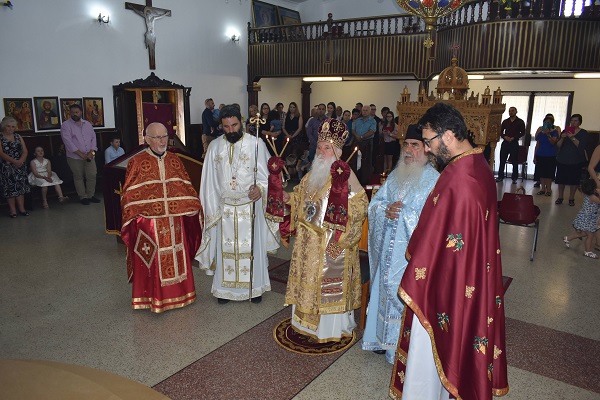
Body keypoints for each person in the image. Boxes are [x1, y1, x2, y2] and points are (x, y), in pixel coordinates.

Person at [390, 103, 508, 400]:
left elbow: (441, 237)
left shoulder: (461, 177)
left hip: (448, 281)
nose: (428, 149)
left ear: (449, 135)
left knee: (430, 342)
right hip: (465, 275)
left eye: (428, 141)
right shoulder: (476, 164)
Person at [282, 118, 368, 342]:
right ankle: (305, 323)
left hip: (330, 244)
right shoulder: (313, 173)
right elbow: (301, 197)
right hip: (307, 244)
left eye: (327, 148)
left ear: (338, 151)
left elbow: (361, 206)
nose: (321, 152)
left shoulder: (346, 176)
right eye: (319, 147)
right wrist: (288, 198)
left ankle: (328, 329)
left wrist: (341, 239)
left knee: (325, 286)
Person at [361, 125, 439, 364]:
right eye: (406, 144)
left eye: (415, 145)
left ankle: (399, 348)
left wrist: (404, 214)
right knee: (383, 290)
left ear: (427, 150)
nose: (408, 150)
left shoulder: (434, 181)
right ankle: (380, 340)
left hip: (408, 256)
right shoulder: (396, 174)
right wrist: (386, 209)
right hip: (387, 250)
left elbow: (434, 221)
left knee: (402, 297)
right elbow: (375, 204)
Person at [196, 104, 280, 304]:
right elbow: (208, 182)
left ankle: (255, 288)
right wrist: (212, 208)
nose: (231, 130)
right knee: (225, 248)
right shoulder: (215, 147)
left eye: (234, 125)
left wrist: (260, 189)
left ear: (240, 122)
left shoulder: (256, 144)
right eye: (226, 127)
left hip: (250, 206)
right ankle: (224, 291)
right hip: (224, 208)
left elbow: (268, 177)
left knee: (252, 248)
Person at [121, 122, 201, 313]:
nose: (162, 141)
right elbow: (128, 195)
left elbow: (185, 187)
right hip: (149, 223)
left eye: (165, 136)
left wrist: (192, 207)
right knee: (152, 259)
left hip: (174, 221)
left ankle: (181, 293)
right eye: (157, 137)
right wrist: (139, 212)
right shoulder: (137, 162)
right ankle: (152, 298)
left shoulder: (174, 160)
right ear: (147, 139)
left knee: (177, 255)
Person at [60, 103, 99, 205]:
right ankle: (83, 197)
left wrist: (92, 152)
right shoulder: (66, 125)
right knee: (78, 177)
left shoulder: (87, 124)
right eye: (72, 112)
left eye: (76, 112)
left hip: (90, 155)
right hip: (75, 157)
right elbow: (68, 142)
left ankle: (90, 195)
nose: (74, 114)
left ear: (81, 112)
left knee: (92, 175)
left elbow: (93, 138)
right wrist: (81, 154)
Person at [555, 113, 588, 207]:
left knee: (574, 180)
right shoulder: (565, 131)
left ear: (580, 122)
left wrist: (572, 137)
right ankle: (560, 197)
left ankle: (571, 198)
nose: (573, 122)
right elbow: (558, 145)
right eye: (572, 120)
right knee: (561, 180)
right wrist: (562, 138)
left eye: (575, 121)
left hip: (576, 160)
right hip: (562, 159)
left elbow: (581, 147)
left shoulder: (583, 133)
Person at [0, 116, 30, 218]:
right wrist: (14, 161)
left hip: (20, 166)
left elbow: (25, 151)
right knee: (10, 189)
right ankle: (13, 211)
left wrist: (21, 161)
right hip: (7, 167)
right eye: (8, 126)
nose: (10, 129)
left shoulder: (18, 136)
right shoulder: (1, 137)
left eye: (13, 127)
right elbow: (1, 153)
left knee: (20, 188)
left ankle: (22, 209)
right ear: (4, 126)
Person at [563, 178, 600, 259]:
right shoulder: (593, 197)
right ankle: (588, 251)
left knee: (584, 233)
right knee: (590, 236)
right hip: (588, 220)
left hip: (585, 218)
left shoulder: (587, 195)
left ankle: (567, 238)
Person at [496, 106, 525, 184]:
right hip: (505, 143)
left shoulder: (520, 122)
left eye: (512, 111)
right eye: (509, 111)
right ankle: (500, 176)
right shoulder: (505, 121)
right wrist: (504, 136)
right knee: (502, 160)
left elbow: (523, 132)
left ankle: (514, 178)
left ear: (516, 112)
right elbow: (500, 132)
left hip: (514, 143)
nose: (510, 112)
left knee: (514, 161)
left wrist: (514, 137)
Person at [533, 114, 560, 196]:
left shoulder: (555, 132)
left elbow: (553, 142)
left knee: (548, 174)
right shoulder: (541, 132)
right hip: (540, 154)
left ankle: (549, 189)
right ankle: (543, 189)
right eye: (545, 122)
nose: (546, 124)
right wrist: (535, 155)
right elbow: (537, 142)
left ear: (551, 124)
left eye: (548, 123)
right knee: (541, 173)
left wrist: (548, 134)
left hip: (550, 155)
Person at [352, 103, 376, 185]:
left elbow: (372, 131)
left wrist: (362, 137)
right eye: (363, 110)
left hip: (367, 143)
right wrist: (357, 136)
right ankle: (356, 179)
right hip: (357, 142)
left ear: (369, 111)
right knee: (355, 160)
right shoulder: (358, 120)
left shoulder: (372, 121)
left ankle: (365, 181)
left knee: (366, 162)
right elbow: (353, 130)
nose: (365, 112)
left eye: (366, 110)